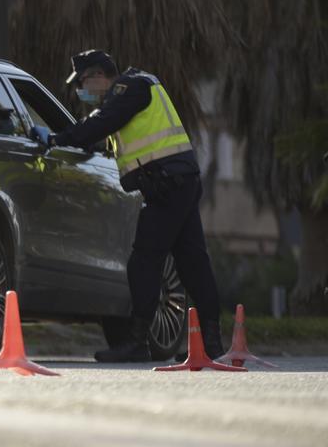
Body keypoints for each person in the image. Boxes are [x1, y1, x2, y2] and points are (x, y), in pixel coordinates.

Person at [31, 50, 223, 362]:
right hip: (180, 181)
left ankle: (137, 343)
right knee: (192, 262)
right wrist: (76, 137)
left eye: (82, 82)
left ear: (97, 75)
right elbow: (103, 138)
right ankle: (212, 345)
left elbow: (98, 126)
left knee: (144, 262)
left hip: (166, 186)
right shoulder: (136, 90)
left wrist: (55, 139)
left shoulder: (129, 88)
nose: (82, 90)